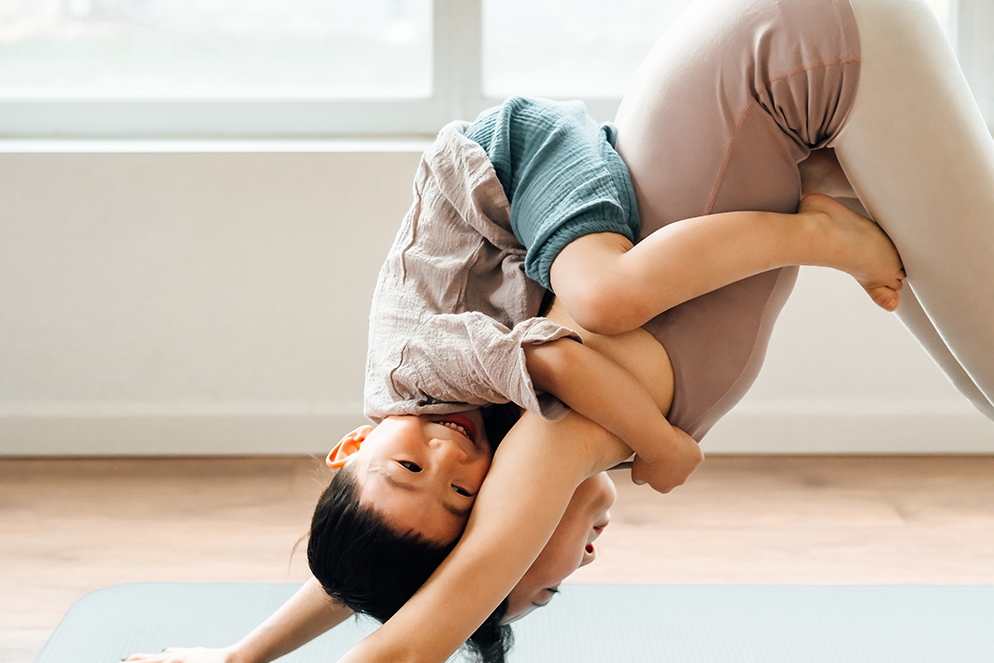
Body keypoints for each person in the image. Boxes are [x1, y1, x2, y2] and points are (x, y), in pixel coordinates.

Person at [330, 0, 994, 659]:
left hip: (786, 56)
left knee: (605, 297)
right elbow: (378, 546)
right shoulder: (488, 430)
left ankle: (822, 231)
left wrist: (662, 445)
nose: (576, 567)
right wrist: (247, 655)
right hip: (782, 79)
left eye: (537, 589)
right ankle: (822, 215)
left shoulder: (545, 430)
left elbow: (411, 638)